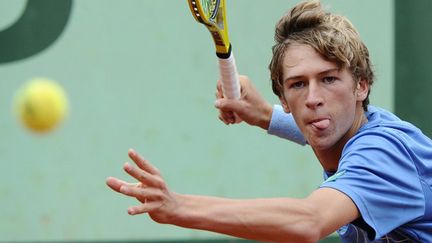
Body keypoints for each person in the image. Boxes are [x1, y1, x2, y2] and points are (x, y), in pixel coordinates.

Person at [106, 1, 432, 242]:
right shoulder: (360, 125)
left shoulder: (382, 153)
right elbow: (319, 126)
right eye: (298, 84)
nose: (313, 98)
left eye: (329, 79)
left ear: (361, 86)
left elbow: (310, 221)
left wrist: (180, 207)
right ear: (284, 99)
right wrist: (263, 115)